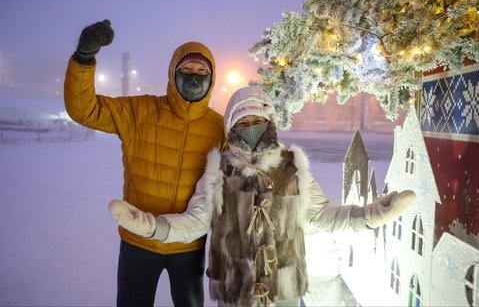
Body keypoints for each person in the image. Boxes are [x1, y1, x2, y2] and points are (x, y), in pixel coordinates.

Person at [109, 86, 415, 306]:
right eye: (243, 122)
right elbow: (196, 221)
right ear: (231, 127)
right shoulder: (220, 171)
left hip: (285, 291)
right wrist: (152, 226)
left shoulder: (292, 167)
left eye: (258, 121)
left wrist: (371, 216)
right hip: (236, 292)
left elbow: (322, 216)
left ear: (271, 123)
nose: (251, 128)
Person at [64, 19, 226, 306]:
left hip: (188, 247)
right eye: (186, 69)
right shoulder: (140, 111)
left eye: (202, 71)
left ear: (212, 79)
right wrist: (83, 58)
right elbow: (84, 109)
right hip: (139, 242)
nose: (193, 76)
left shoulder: (219, 128)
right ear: (172, 73)